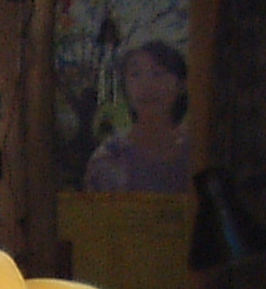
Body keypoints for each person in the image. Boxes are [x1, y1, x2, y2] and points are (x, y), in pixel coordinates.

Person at [82, 40, 193, 194]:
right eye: (135, 74)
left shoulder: (197, 151)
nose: (146, 85)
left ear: (182, 84)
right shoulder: (109, 158)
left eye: (158, 73)